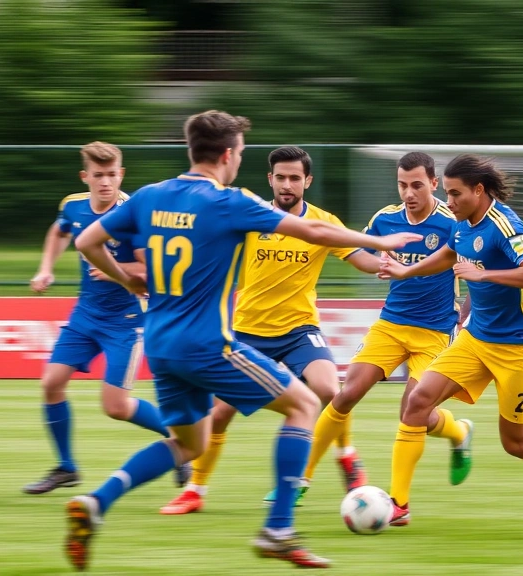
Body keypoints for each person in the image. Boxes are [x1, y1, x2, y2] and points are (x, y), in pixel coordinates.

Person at [65, 110, 421, 570]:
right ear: (229, 155)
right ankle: (277, 529)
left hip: (159, 344)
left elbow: (88, 242)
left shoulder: (150, 196)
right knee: (304, 405)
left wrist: (128, 281)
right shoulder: (230, 201)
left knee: (188, 444)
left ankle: (96, 502)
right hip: (208, 343)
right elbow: (312, 230)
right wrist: (384, 244)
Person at [378, 154, 523, 529]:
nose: (448, 202)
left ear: (479, 190)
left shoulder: (505, 224)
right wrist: (406, 270)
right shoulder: (461, 223)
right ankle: (398, 504)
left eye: (455, 194)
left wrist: (483, 277)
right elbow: (449, 254)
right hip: (475, 339)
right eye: (447, 194)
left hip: (519, 346)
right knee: (417, 402)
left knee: (516, 443)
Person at [160, 145, 383, 515]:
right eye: (280, 177)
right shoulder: (251, 216)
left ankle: (347, 457)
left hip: (299, 330)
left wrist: (385, 264)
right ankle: (195, 490)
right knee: (218, 415)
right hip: (247, 332)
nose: (287, 184)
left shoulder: (323, 222)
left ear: (307, 181)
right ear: (270, 179)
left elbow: (359, 257)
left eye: (295, 178)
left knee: (331, 389)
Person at [300, 151, 469, 502]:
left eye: (417, 185)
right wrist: (375, 262)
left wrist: (467, 317)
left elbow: (480, 277)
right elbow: (359, 249)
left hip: (436, 331)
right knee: (345, 395)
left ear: (434, 184)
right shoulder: (386, 219)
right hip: (391, 324)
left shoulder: (453, 223)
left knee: (412, 411)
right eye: (403, 185)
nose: (409, 193)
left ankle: (456, 435)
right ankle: (299, 482)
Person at [24, 142, 186, 495]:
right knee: (51, 384)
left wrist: (114, 270)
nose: (105, 183)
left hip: (125, 321)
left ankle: (179, 440)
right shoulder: (74, 205)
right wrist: (46, 269)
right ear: (85, 177)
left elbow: (151, 270)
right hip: (85, 314)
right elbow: (60, 230)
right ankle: (67, 468)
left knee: (115, 407)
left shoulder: (133, 215)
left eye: (112, 175)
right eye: (98, 175)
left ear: (121, 174)